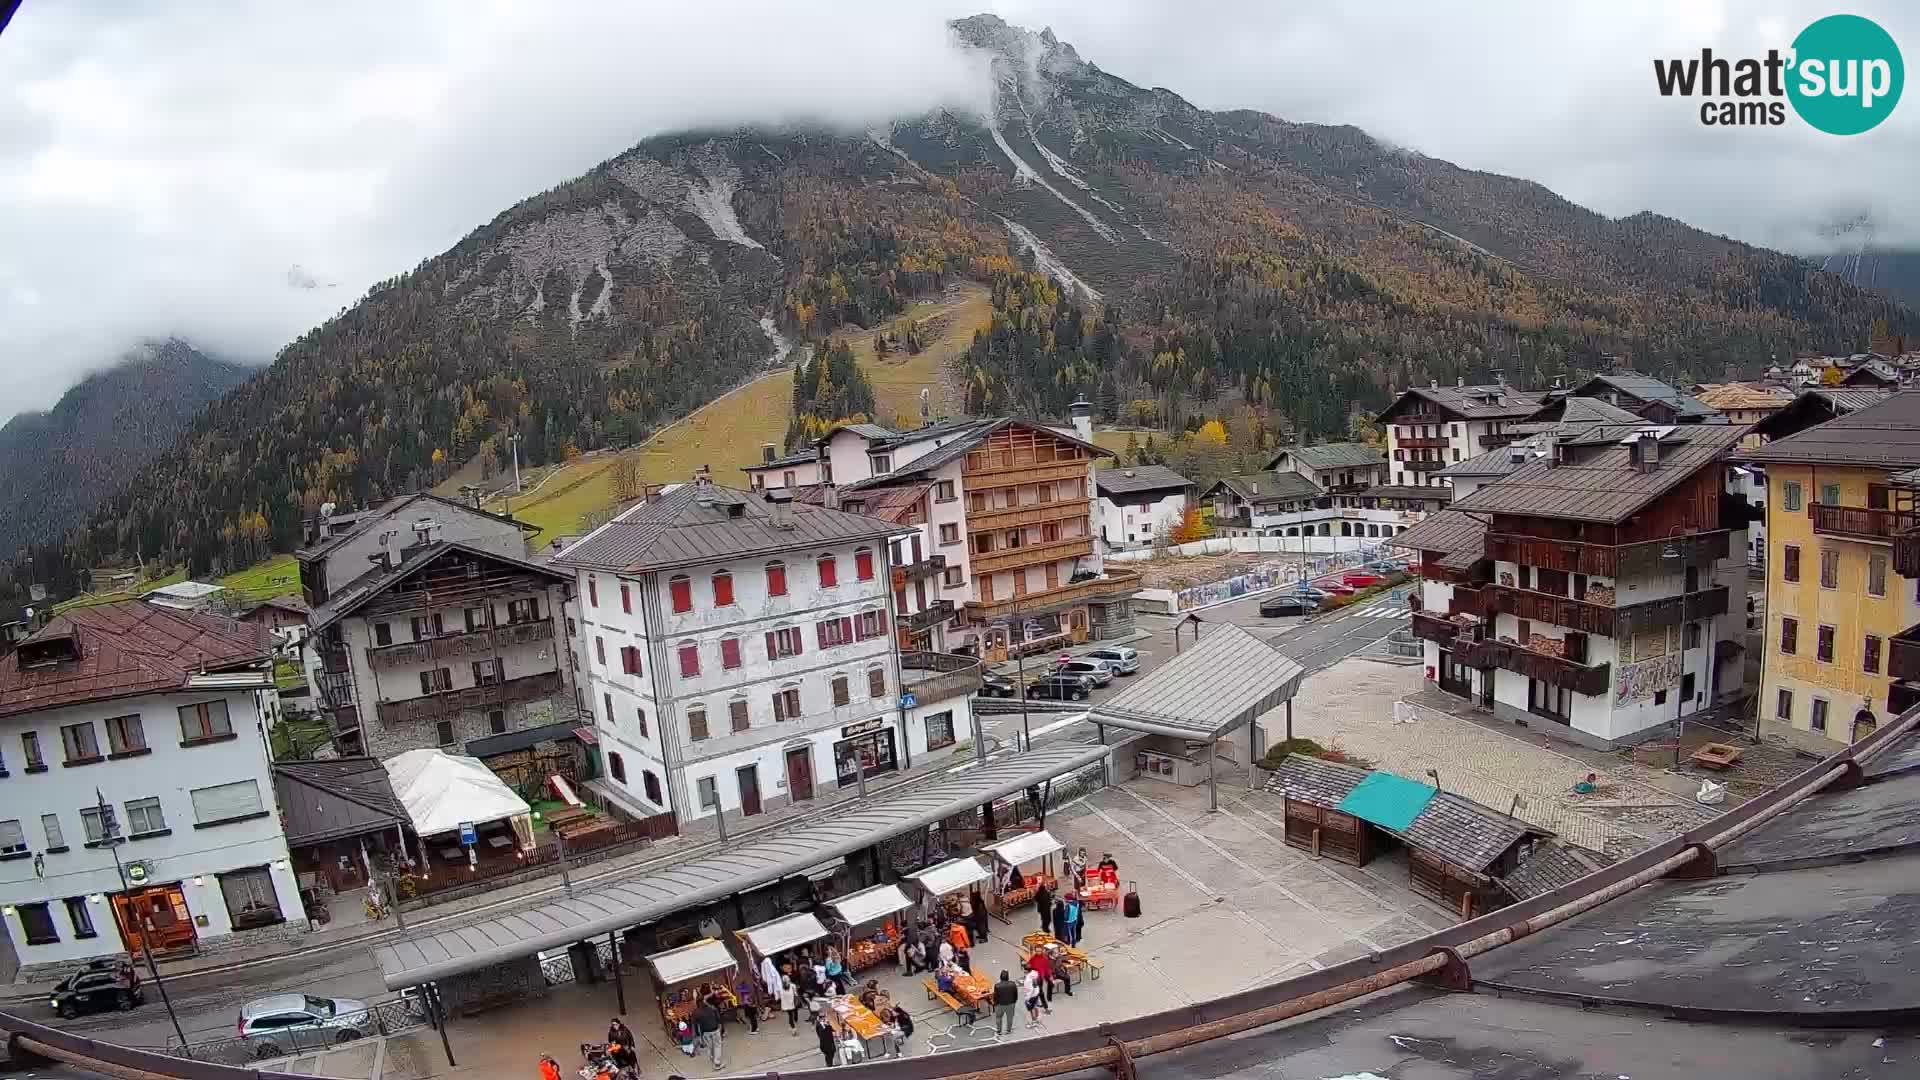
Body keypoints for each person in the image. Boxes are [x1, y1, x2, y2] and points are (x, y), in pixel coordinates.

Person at [693, 993, 723, 1068]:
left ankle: (712, 1058)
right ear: (704, 1000)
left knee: (710, 1046)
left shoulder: (696, 1012)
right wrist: (720, 1029)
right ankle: (717, 1063)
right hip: (715, 1029)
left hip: (705, 1032)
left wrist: (698, 1035)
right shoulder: (712, 1008)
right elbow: (718, 1019)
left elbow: (695, 1025)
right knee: (717, 1046)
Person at [992, 969, 1020, 1035]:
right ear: (1008, 977)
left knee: (998, 1017)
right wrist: (1014, 1001)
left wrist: (995, 1003)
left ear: (1000, 977)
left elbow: (996, 996)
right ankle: (1008, 1030)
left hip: (1000, 1005)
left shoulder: (997, 985)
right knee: (1010, 1017)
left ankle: (999, 1031)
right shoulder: (1013, 984)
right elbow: (1015, 994)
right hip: (1011, 1004)